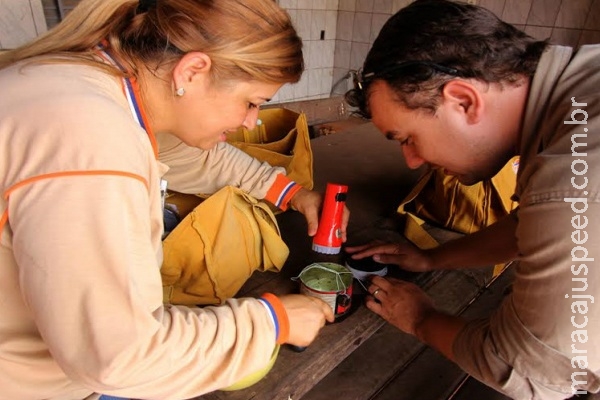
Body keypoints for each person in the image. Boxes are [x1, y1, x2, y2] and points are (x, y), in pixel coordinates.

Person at [0, 0, 341, 398]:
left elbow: (197, 159)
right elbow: (119, 357)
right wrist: (272, 321)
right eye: (251, 103)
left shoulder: (86, 80)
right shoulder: (93, 140)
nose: (251, 121)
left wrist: (292, 193)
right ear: (193, 71)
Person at [345, 0, 600, 398]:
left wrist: (421, 318)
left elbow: (529, 373)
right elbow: (529, 225)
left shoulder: (574, 178)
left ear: (464, 100)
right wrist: (432, 258)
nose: (412, 161)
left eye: (407, 139)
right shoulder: (583, 86)